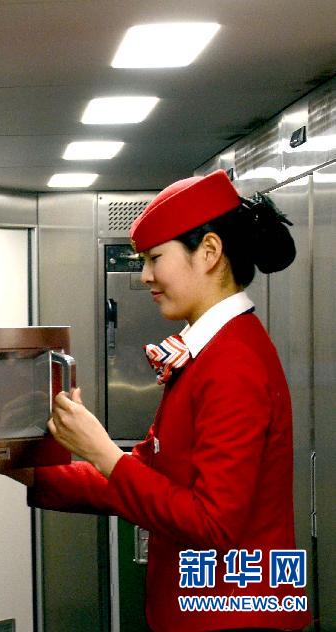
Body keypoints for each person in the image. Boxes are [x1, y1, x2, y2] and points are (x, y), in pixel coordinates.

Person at [20, 170, 311, 631]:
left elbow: (212, 524)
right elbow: (149, 475)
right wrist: (24, 466)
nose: (146, 276)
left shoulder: (234, 362)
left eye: (155, 258)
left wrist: (102, 451)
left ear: (210, 252)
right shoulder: (214, 350)